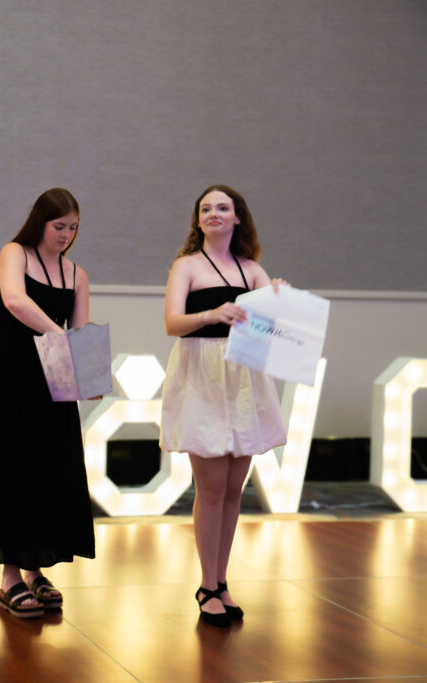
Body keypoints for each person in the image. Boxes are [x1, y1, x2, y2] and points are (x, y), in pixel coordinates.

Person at [159, 184, 287, 627]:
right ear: (198, 221)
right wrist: (213, 314)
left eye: (223, 207)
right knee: (210, 488)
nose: (214, 213)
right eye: (206, 208)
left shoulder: (253, 270)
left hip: (244, 378)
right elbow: (172, 323)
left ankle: (222, 580)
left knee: (234, 490)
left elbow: (271, 336)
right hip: (202, 376)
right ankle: (206, 583)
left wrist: (278, 302)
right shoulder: (187, 266)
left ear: (237, 218)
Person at [0, 188, 97, 619]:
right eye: (59, 226)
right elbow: (14, 300)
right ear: (40, 222)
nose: (66, 234)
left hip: (53, 378)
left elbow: (79, 332)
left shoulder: (77, 274)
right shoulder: (15, 253)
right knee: (12, 469)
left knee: (50, 469)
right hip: (10, 374)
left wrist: (91, 372)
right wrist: (59, 336)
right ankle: (9, 576)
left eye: (73, 227)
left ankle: (36, 569)